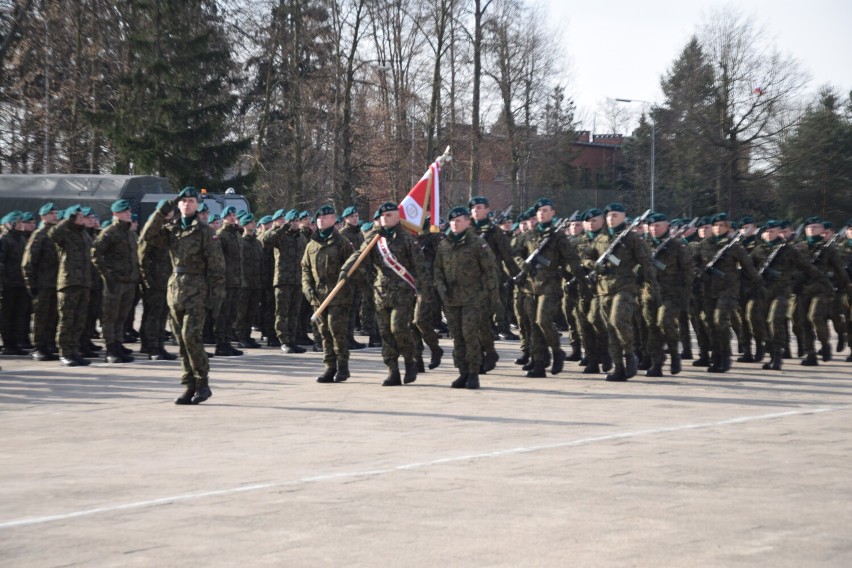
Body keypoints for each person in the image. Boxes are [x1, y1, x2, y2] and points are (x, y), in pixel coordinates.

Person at [141, 187, 226, 404]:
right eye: (183, 201)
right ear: (177, 204)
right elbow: (147, 237)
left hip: (197, 289)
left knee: (191, 337)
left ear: (197, 204)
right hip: (175, 290)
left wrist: (215, 300)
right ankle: (189, 385)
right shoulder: (172, 229)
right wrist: (160, 213)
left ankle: (202, 382)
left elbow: (216, 268)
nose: (186, 204)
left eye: (190, 201)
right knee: (181, 341)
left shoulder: (206, 232)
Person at [342, 202, 424, 386]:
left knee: (398, 328)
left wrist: (423, 293)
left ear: (397, 216)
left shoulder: (407, 239)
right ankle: (392, 370)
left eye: (389, 215)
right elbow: (359, 256)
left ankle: (410, 361)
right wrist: (345, 270)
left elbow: (420, 267)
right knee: (385, 333)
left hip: (403, 293)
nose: (385, 218)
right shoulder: (374, 238)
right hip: (380, 293)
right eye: (382, 216)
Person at [514, 198, 585, 378]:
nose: (541, 213)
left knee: (542, 320)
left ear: (553, 213)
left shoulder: (558, 236)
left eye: (545, 210)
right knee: (533, 325)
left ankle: (557, 351)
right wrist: (522, 264)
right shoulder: (529, 234)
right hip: (530, 285)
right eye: (539, 211)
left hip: (550, 285)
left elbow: (572, 259)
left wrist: (580, 279)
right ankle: (539, 363)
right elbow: (515, 253)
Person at [434, 206, 500, 389]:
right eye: (453, 221)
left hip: (473, 298)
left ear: (468, 222)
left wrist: (493, 297)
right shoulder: (444, 244)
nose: (455, 224)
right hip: (451, 299)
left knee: (470, 335)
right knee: (457, 337)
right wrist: (440, 287)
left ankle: (473, 373)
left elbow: (490, 270)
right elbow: (437, 269)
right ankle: (462, 372)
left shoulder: (478, 243)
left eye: (460, 220)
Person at [590, 203, 658, 381]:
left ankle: (630, 354)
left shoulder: (632, 239)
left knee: (618, 320)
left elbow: (646, 263)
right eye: (609, 216)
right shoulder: (601, 238)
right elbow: (587, 256)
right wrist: (594, 265)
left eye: (615, 215)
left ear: (624, 217)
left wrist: (650, 286)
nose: (611, 219)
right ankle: (618, 367)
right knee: (610, 328)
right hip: (604, 288)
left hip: (625, 287)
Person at [697, 212, 759, 373]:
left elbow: (749, 268)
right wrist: (699, 272)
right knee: (710, 323)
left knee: (720, 321)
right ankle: (715, 357)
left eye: (721, 225)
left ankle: (725, 357)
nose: (718, 228)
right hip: (709, 289)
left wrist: (754, 287)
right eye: (715, 225)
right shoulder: (704, 244)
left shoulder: (734, 246)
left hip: (728, 289)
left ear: (728, 227)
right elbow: (692, 263)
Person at [302, 205, 355, 382]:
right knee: (324, 333)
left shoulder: (342, 243)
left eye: (325, 217)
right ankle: (329, 367)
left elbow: (352, 267)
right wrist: (307, 289)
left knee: (337, 331)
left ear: (333, 219)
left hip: (338, 296)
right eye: (318, 218)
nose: (320, 220)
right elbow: (305, 270)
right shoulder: (311, 244)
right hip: (318, 296)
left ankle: (343, 367)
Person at [91, 199, 140, 363]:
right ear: (115, 214)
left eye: (129, 211)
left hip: (128, 281)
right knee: (110, 317)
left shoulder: (130, 233)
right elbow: (95, 254)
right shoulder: (110, 232)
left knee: (122, 317)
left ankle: (118, 345)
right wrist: (107, 275)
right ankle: (110, 349)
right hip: (115, 282)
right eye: (124, 212)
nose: (128, 213)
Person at [645, 213, 694, 376]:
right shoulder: (644, 245)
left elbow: (688, 273)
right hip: (650, 293)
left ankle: (674, 354)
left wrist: (685, 299)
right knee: (652, 328)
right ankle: (657, 363)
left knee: (664, 322)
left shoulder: (677, 246)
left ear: (667, 226)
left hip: (671, 293)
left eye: (657, 225)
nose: (654, 229)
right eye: (651, 226)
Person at [48, 206, 94, 367]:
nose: (83, 219)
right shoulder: (65, 233)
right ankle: (65, 353)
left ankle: (75, 351)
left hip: (84, 282)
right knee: (67, 320)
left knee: (80, 320)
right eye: (79, 217)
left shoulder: (84, 234)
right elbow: (52, 234)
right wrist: (68, 218)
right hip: (69, 282)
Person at [260, 209, 308, 353]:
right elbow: (266, 240)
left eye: (296, 221)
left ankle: (292, 340)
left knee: (294, 313)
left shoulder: (301, 238)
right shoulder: (280, 236)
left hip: (297, 280)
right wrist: (283, 227)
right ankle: (283, 340)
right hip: (283, 280)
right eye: (291, 221)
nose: (294, 224)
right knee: (282, 312)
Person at [138, 200, 178, 360]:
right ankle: (151, 347)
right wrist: (148, 280)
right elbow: (142, 258)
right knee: (153, 315)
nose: (170, 213)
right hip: (154, 280)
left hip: (166, 280)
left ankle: (159, 346)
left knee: (162, 315)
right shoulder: (153, 232)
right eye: (166, 211)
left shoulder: (168, 231)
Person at [21, 203, 60, 360]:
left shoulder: (55, 233)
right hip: (42, 284)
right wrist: (31, 284)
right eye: (51, 214)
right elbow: (28, 262)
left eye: (55, 213)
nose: (55, 216)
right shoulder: (39, 234)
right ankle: (39, 347)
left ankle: (48, 344)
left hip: (54, 283)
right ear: (43, 216)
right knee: (41, 317)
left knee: (52, 316)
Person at [213, 206, 244, 356]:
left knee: (232, 314)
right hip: (225, 281)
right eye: (229, 215)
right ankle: (221, 344)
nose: (232, 217)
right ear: (224, 218)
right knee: (223, 314)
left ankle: (227, 342)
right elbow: (217, 259)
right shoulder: (221, 235)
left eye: (234, 214)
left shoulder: (237, 234)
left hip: (237, 281)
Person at [0, 211, 29, 354]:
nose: (21, 225)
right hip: (7, 283)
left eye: (21, 222)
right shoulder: (4, 239)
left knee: (19, 314)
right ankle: (7, 343)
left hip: (20, 282)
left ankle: (15, 343)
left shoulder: (22, 239)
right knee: (7, 314)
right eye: (18, 222)